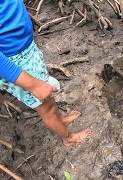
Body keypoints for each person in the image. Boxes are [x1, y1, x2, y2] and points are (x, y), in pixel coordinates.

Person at [0, 0, 91, 146]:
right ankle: (67, 138)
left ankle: (60, 120)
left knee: (47, 97)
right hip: (14, 61)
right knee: (46, 108)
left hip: (24, 49)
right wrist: (33, 85)